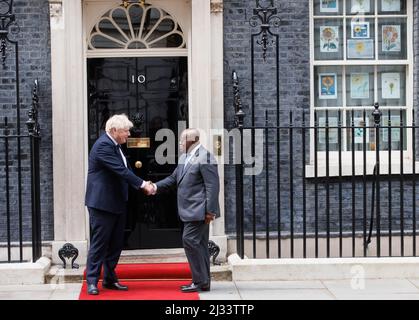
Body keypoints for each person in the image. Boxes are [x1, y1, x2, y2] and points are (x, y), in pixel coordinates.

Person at [84, 114, 155, 295]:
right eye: (125, 131)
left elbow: (127, 170)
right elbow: (121, 171)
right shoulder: (103, 146)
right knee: (99, 243)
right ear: (114, 130)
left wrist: (142, 186)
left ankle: (109, 278)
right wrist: (142, 184)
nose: (129, 134)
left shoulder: (115, 146)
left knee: (116, 243)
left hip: (117, 202)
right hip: (102, 204)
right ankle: (92, 281)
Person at [146, 128, 220, 293]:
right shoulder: (185, 157)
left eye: (181, 140)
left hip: (199, 210)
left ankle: (199, 281)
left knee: (189, 241)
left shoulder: (205, 157)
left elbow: (212, 186)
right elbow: (173, 179)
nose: (179, 143)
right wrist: (155, 187)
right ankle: (204, 282)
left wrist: (210, 211)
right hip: (190, 210)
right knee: (199, 244)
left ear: (191, 140)